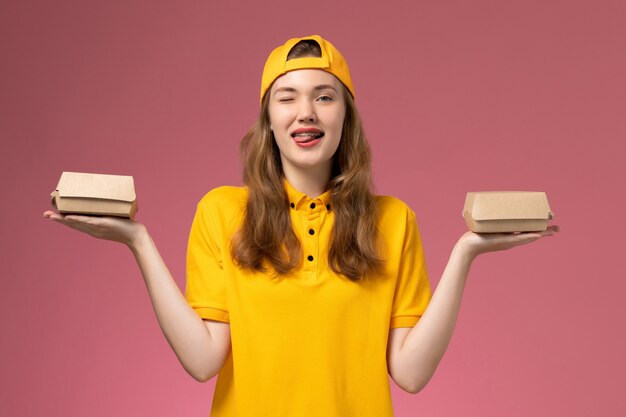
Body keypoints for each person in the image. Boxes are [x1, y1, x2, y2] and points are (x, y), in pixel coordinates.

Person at [43, 35, 558, 417]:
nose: (305, 112)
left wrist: (466, 252)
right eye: (286, 97)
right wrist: (138, 242)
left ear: (345, 117)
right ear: (268, 117)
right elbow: (204, 361)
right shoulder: (222, 212)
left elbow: (410, 374)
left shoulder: (394, 220)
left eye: (324, 96)